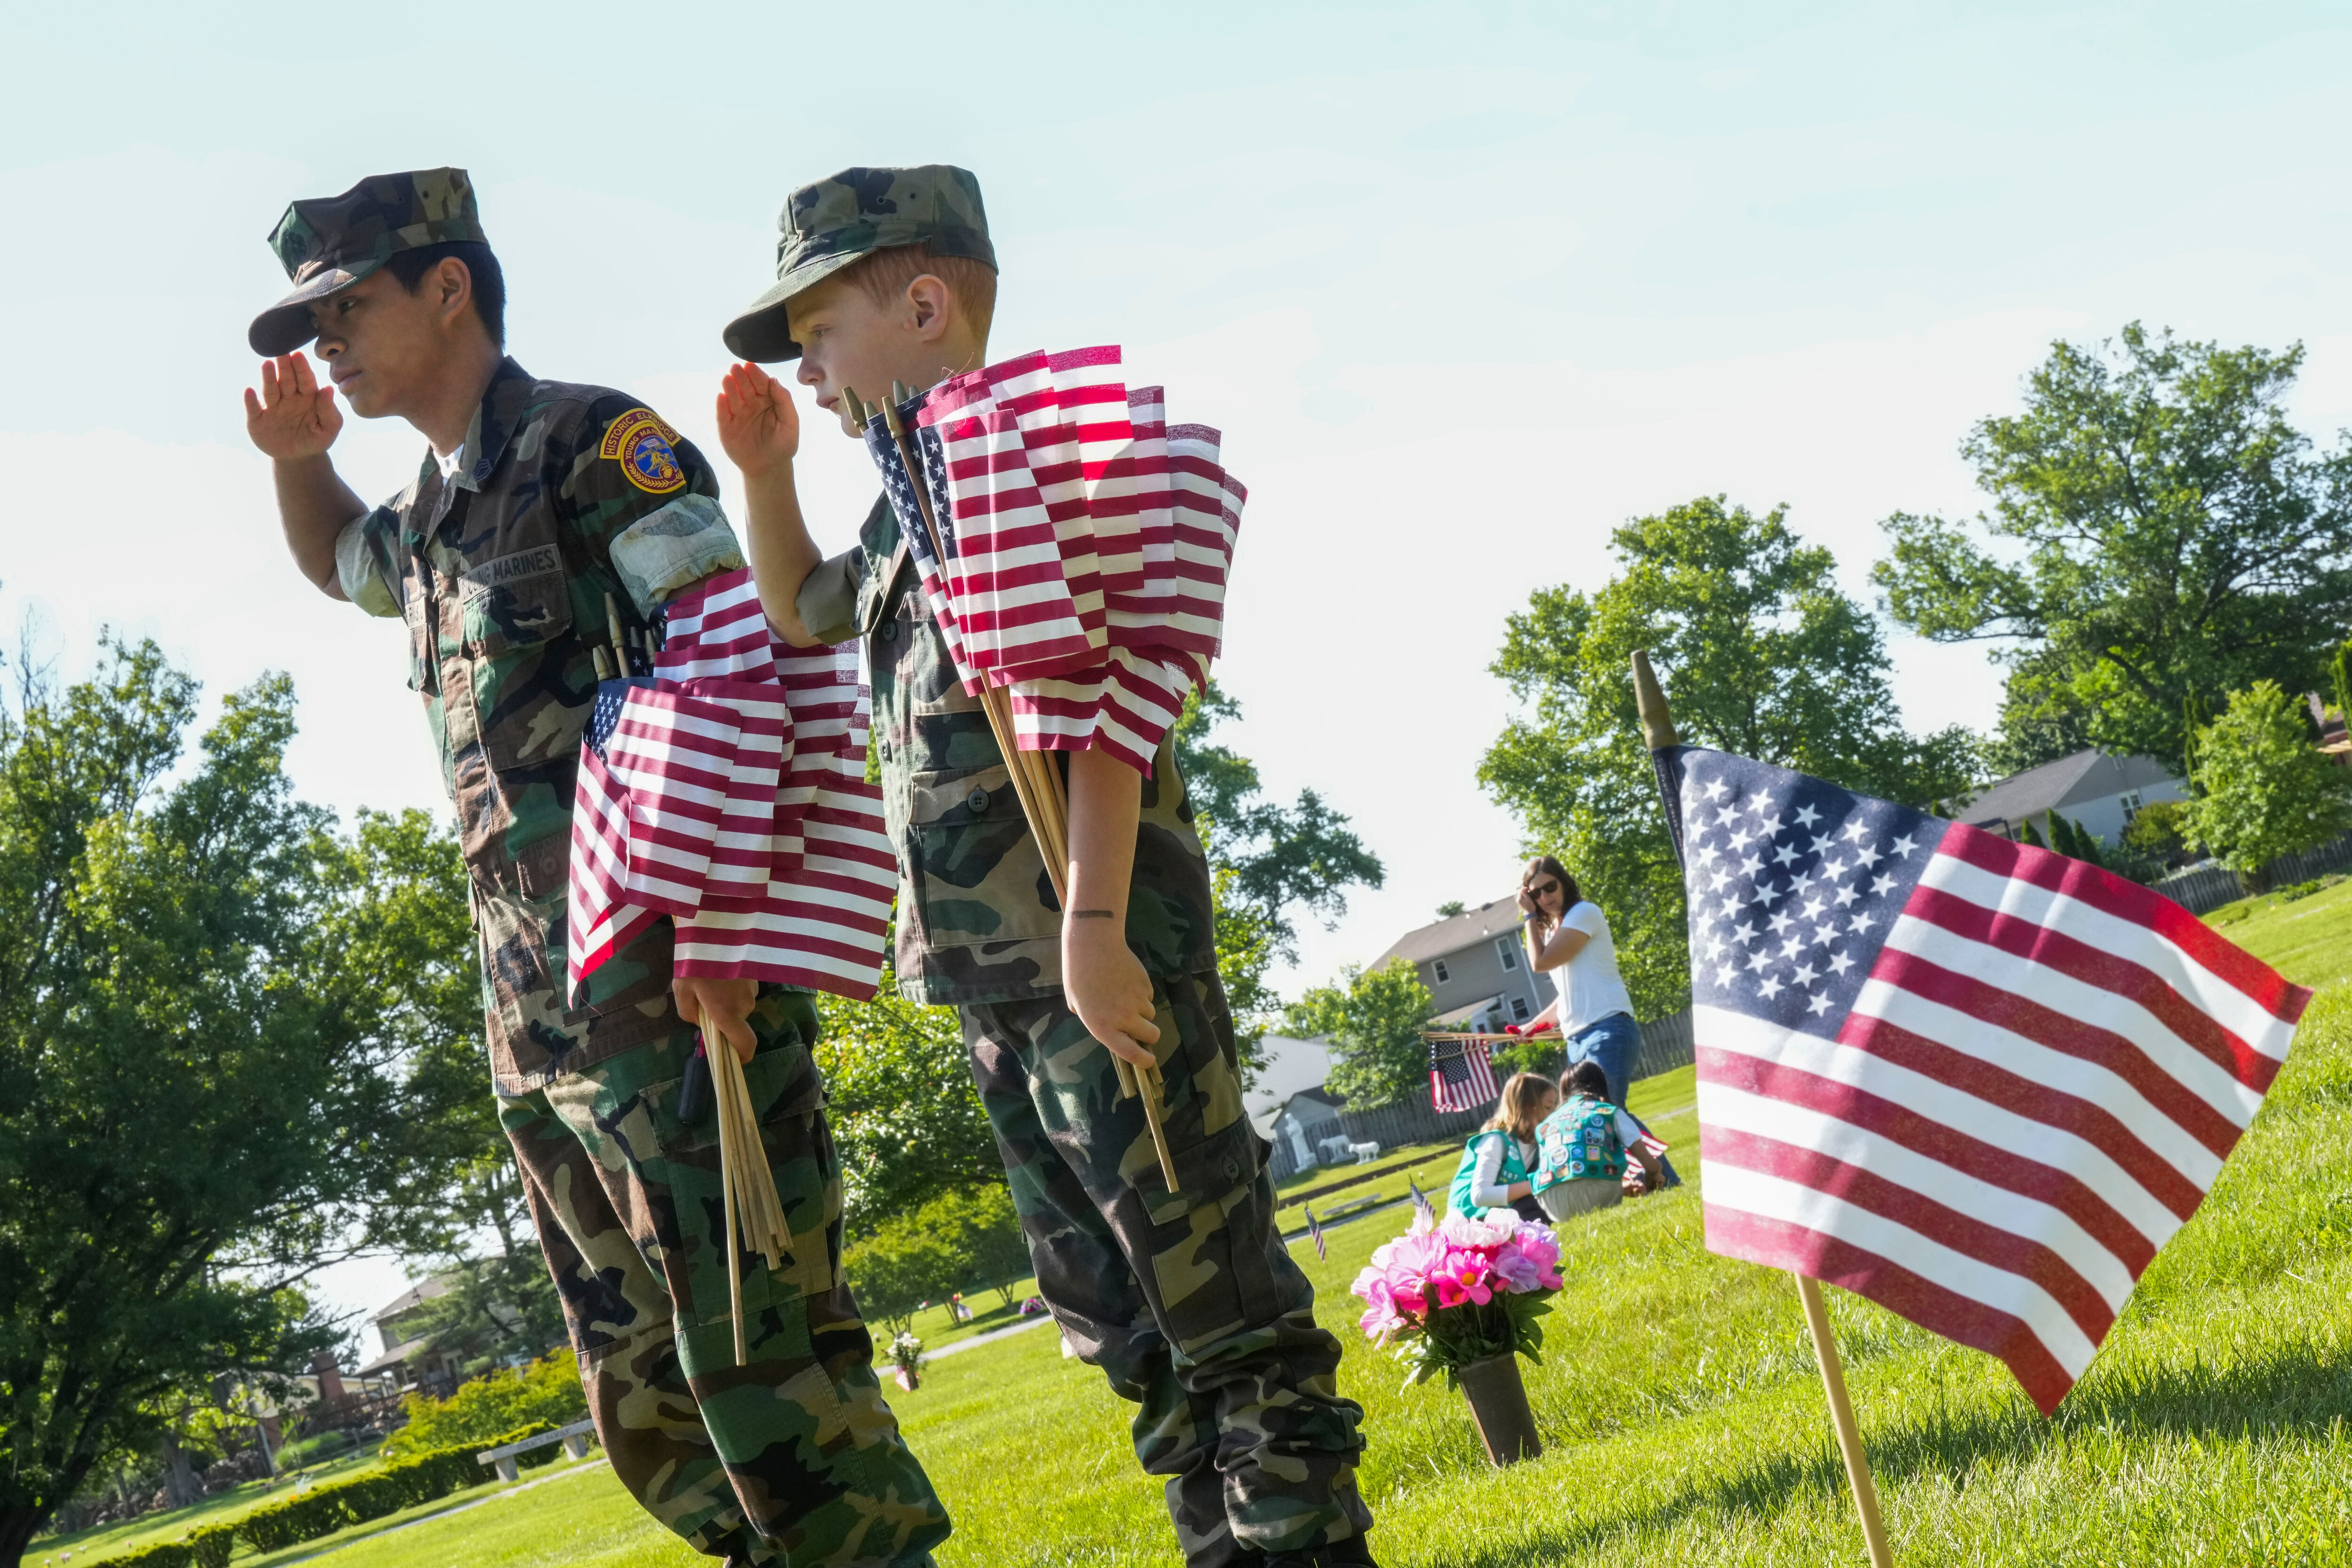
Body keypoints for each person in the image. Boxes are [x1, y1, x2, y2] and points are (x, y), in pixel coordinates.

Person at [240, 168, 950, 1568]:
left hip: (676, 991)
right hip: (538, 1023)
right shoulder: (436, 511)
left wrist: (723, 926)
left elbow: (737, 655)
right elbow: (343, 560)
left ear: (450, 285)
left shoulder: (591, 444)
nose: (328, 338)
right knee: (646, 1403)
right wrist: (292, 458)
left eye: (349, 304)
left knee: (763, 1357)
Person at [711, 166, 1376, 1568]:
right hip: (999, 989)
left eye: (819, 332)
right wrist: (766, 477)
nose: (811, 373)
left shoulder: (1011, 468)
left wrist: (1089, 923)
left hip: (1096, 958)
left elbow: (1100, 709)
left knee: (1226, 1315)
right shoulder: (907, 501)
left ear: (925, 302)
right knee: (1130, 1330)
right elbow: (804, 607)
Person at [1517, 854, 1642, 1107]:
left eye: (1550, 887)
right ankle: (1652, 1150)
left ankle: (1652, 1150)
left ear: (1564, 882)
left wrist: (1529, 917)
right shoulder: (1553, 931)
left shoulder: (1584, 913)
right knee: (1599, 1119)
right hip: (1576, 1039)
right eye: (1536, 893)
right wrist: (1534, 1024)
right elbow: (1570, 993)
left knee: (1601, 1115)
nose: (1545, 897)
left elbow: (1539, 963)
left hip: (1607, 1029)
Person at [1531, 1060, 1665, 1221]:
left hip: (1552, 1203)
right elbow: (1648, 1163)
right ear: (1601, 1084)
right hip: (1598, 1193)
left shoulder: (1546, 1124)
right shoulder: (1608, 1112)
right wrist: (1655, 1173)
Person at [1445, 1073, 1557, 1224]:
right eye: (1548, 1107)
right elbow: (1480, 1196)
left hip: (1498, 1211)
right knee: (1539, 1200)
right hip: (1469, 1220)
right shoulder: (1496, 1141)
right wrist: (1536, 1184)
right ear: (1527, 1108)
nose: (1553, 1113)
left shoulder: (1535, 1143)